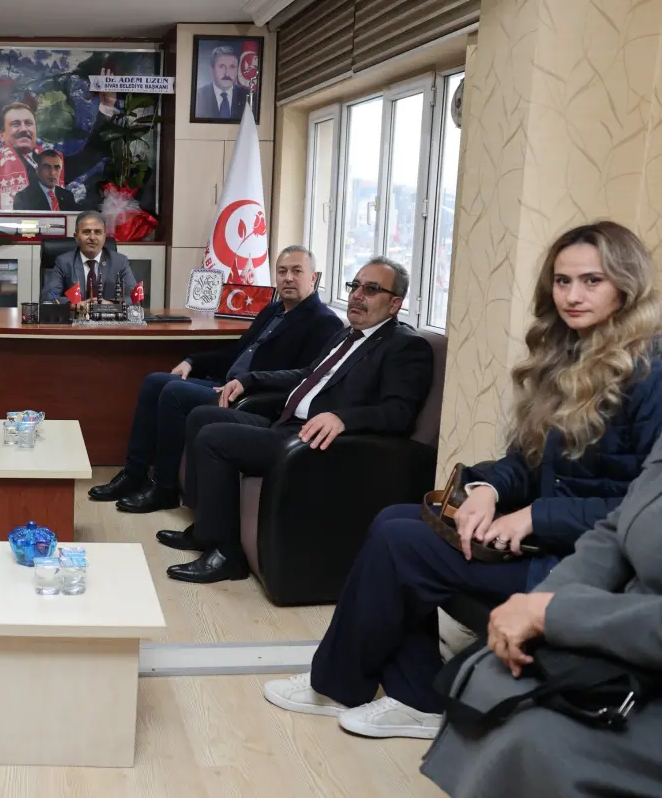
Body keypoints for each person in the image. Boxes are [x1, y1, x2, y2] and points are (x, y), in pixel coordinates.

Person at [263, 222, 662, 742]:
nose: (572, 296)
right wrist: (490, 491)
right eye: (563, 281)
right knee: (398, 521)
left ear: (626, 286)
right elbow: (525, 460)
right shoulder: (569, 357)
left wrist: (535, 516)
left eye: (592, 281)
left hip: (594, 569)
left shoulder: (651, 375)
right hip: (551, 540)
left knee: (402, 543)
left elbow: (644, 508)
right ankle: (413, 696)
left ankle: (345, 687)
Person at [161, 256, 434, 584]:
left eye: (371, 289)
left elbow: (399, 413)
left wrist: (344, 418)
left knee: (214, 439)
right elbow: (307, 374)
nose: (357, 295)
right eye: (355, 286)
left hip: (315, 443)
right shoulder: (347, 335)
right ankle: (205, 529)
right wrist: (250, 380)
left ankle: (227, 556)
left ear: (395, 304)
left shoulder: (405, 346)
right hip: (287, 424)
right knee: (202, 416)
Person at [421, 436, 662, 797]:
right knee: (484, 675)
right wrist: (539, 602)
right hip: (607, 609)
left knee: (535, 735)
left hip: (627, 626)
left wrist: (552, 613)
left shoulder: (647, 404)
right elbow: (615, 527)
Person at [92, 246, 344, 513]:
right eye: (282, 271)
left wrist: (250, 381)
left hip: (253, 398)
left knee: (174, 392)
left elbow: (305, 378)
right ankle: (134, 473)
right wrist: (192, 361)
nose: (288, 278)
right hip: (224, 383)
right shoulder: (272, 311)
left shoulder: (324, 322)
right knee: (154, 381)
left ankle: (165, 487)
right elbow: (236, 353)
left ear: (313, 277)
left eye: (297, 271)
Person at [39, 211, 138, 304]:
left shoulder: (119, 262)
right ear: (76, 236)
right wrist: (73, 305)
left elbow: (134, 297)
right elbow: (49, 294)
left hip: (108, 316)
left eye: (97, 232)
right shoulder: (64, 262)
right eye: (86, 232)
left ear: (104, 236)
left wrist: (110, 305)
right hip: (75, 315)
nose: (92, 237)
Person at [194, 45, 249, 120]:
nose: (227, 74)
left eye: (232, 67)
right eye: (222, 67)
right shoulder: (198, 96)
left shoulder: (248, 96)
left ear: (237, 70)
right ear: (212, 69)